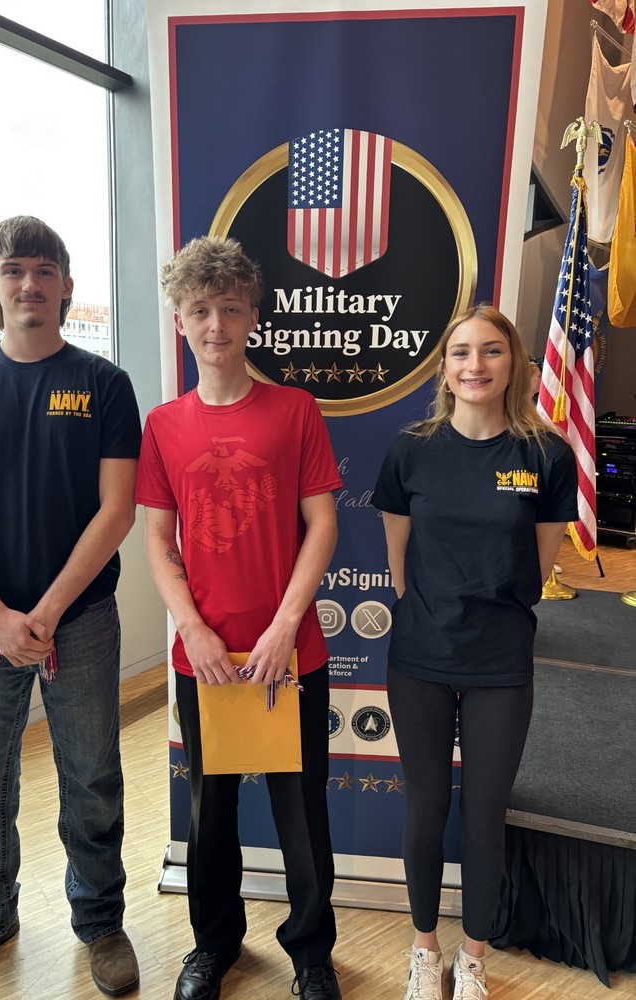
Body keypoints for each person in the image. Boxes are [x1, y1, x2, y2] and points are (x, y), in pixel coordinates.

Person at [0, 216, 142, 999]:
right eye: (14, 270)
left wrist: (41, 615)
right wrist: (2, 618)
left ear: (67, 287)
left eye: (45, 271)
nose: (30, 285)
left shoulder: (104, 385)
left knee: (92, 778)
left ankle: (100, 922)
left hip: (77, 624)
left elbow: (115, 512)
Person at [135, 236, 343, 1000]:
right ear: (180, 320)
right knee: (210, 813)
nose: (215, 324)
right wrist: (191, 628)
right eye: (200, 310)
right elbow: (158, 542)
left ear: (253, 316)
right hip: (209, 659)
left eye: (229, 308)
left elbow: (321, 522)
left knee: (302, 810)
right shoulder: (162, 426)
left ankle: (311, 953)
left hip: (290, 655)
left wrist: (286, 624)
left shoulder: (294, 410)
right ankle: (213, 944)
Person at [372, 305, 577, 1000]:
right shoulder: (412, 450)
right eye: (461, 352)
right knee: (426, 807)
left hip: (500, 661)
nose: (476, 365)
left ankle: (473, 959)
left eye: (492, 351)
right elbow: (399, 560)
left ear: (514, 362)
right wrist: (431, 613)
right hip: (421, 656)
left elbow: (540, 566)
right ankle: (424, 951)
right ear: (445, 368)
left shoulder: (546, 455)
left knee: (485, 811)